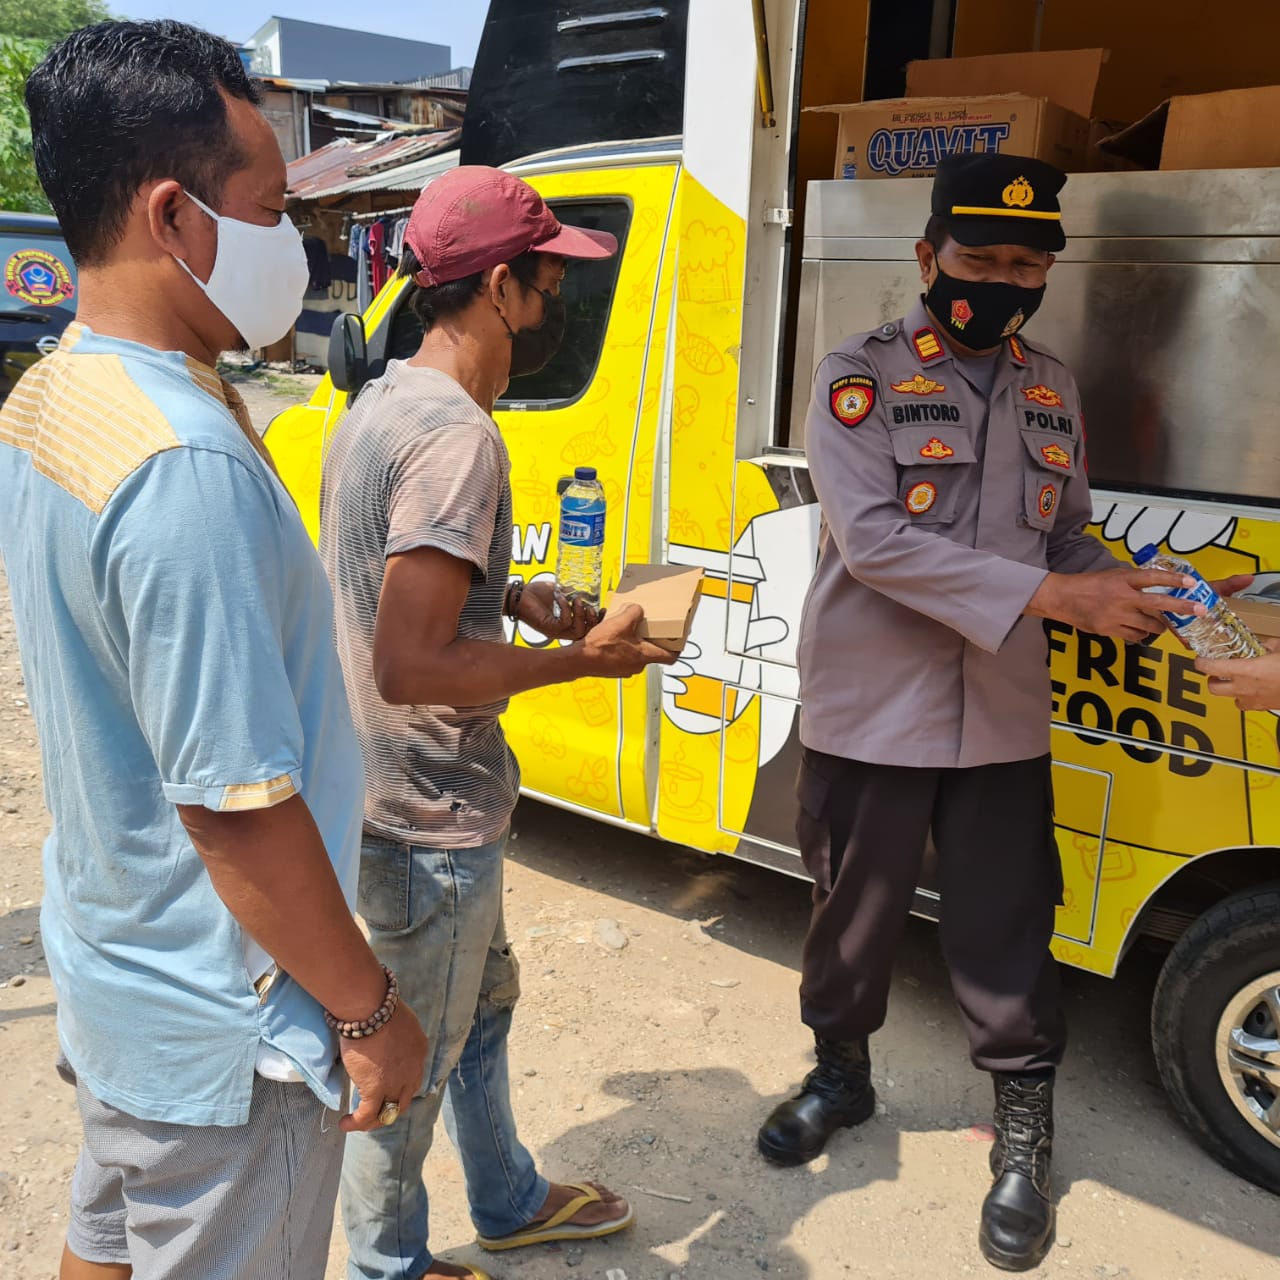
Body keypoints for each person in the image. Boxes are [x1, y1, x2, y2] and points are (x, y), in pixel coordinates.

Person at [0, 22, 428, 1280]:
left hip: (119, 965)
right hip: (223, 1030)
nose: (294, 245)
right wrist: (369, 1010)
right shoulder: (182, 464)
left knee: (111, 1237)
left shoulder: (54, 391)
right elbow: (236, 808)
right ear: (177, 217)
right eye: (272, 207)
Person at [755, 153, 1198, 1272]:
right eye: (979, 259)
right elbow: (874, 538)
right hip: (873, 705)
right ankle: (838, 1077)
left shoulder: (1051, 387)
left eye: (1025, 262)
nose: (1002, 280)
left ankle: (1020, 1132)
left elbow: (1066, 535)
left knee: (1007, 923)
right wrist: (1057, 596)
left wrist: (1145, 588)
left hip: (1001, 712)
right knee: (848, 916)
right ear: (925, 257)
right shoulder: (854, 376)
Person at [319, 165, 676, 1280]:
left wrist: (512, 596)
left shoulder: (383, 398)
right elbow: (413, 657)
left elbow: (396, 586)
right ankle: (388, 1264)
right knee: (410, 1057)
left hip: (393, 784)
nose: (555, 298)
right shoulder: (460, 438)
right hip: (427, 810)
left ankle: (511, 1197)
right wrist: (585, 657)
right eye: (547, 275)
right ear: (499, 287)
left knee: (486, 1004)